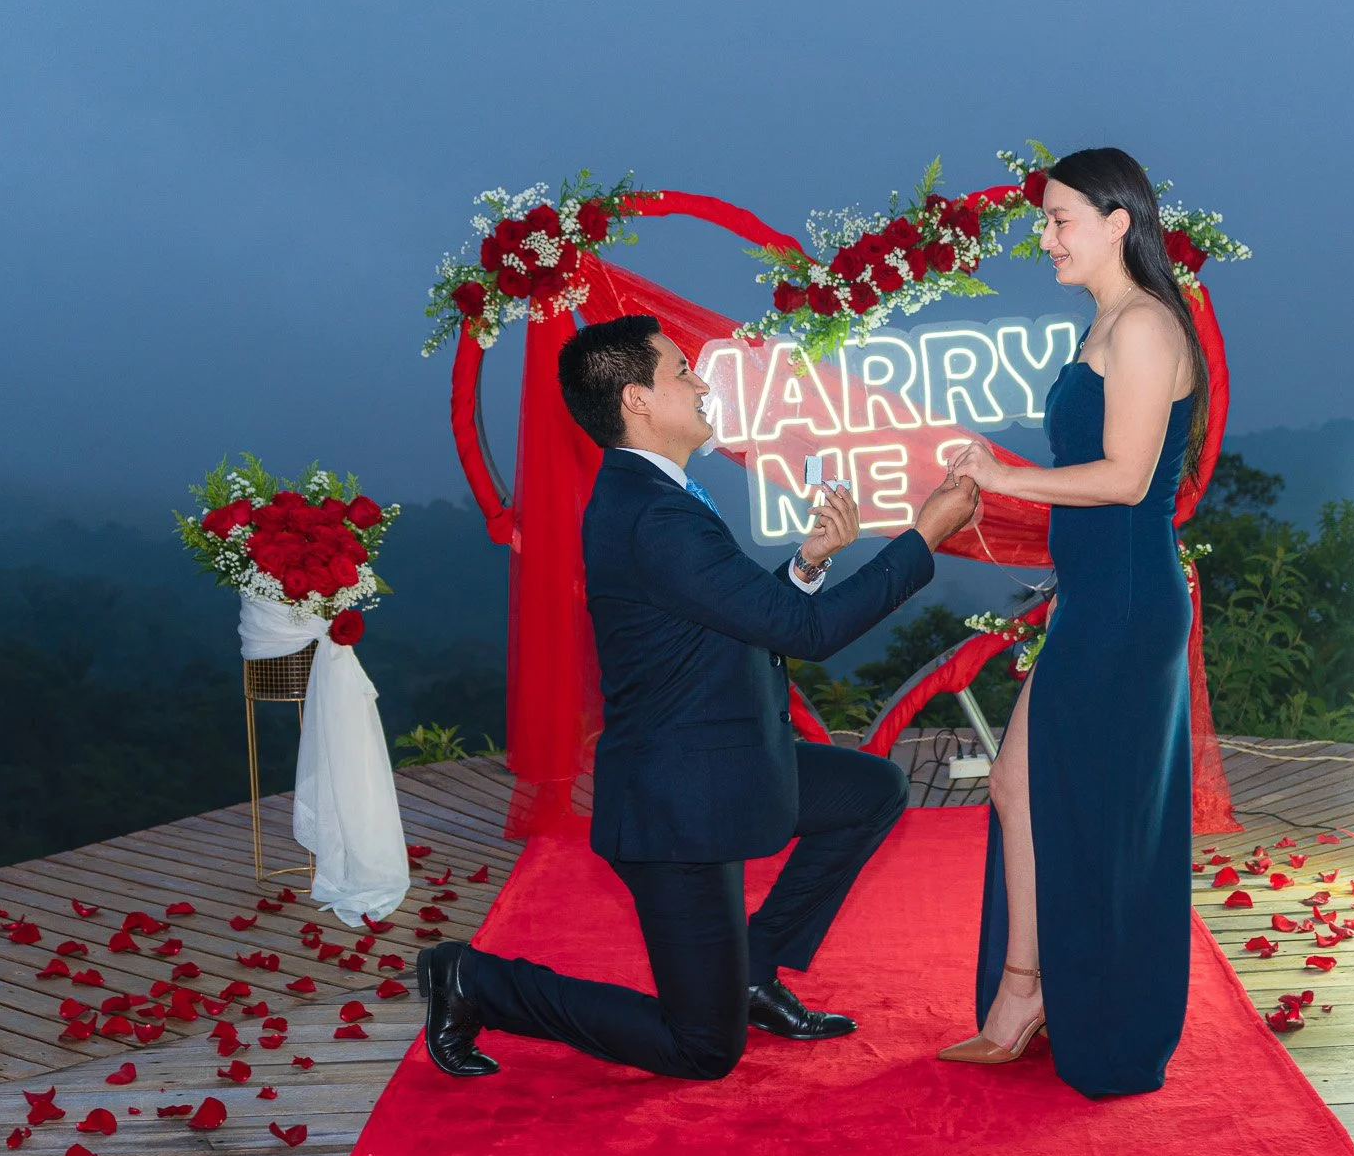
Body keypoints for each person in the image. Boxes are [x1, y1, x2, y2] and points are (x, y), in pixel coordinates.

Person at [415, 313, 980, 1081]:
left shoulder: (656, 494)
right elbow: (808, 633)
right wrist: (922, 538)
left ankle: (754, 966)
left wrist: (807, 563)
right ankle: (472, 980)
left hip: (723, 764)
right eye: (682, 371)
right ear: (637, 399)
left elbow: (737, 618)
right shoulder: (653, 514)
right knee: (703, 1048)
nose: (703, 382)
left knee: (869, 789)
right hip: (675, 807)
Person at [943, 146, 1205, 1097]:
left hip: (1126, 605)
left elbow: (1128, 479)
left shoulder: (1144, 325)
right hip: (1099, 596)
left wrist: (1005, 474)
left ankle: (1100, 1020)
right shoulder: (1110, 320)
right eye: (1045, 220)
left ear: (1117, 222)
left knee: (1099, 816)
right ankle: (1025, 990)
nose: (1045, 237)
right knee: (1017, 784)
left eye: (1060, 220)